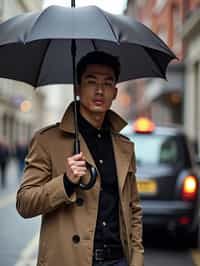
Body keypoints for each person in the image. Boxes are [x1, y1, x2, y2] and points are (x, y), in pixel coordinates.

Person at [16, 51, 144, 266]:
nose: (99, 90)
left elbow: (133, 209)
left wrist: (137, 258)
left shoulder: (124, 146)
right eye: (91, 81)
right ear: (77, 88)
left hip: (118, 260)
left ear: (115, 92)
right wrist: (65, 183)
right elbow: (25, 203)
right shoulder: (47, 140)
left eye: (107, 83)